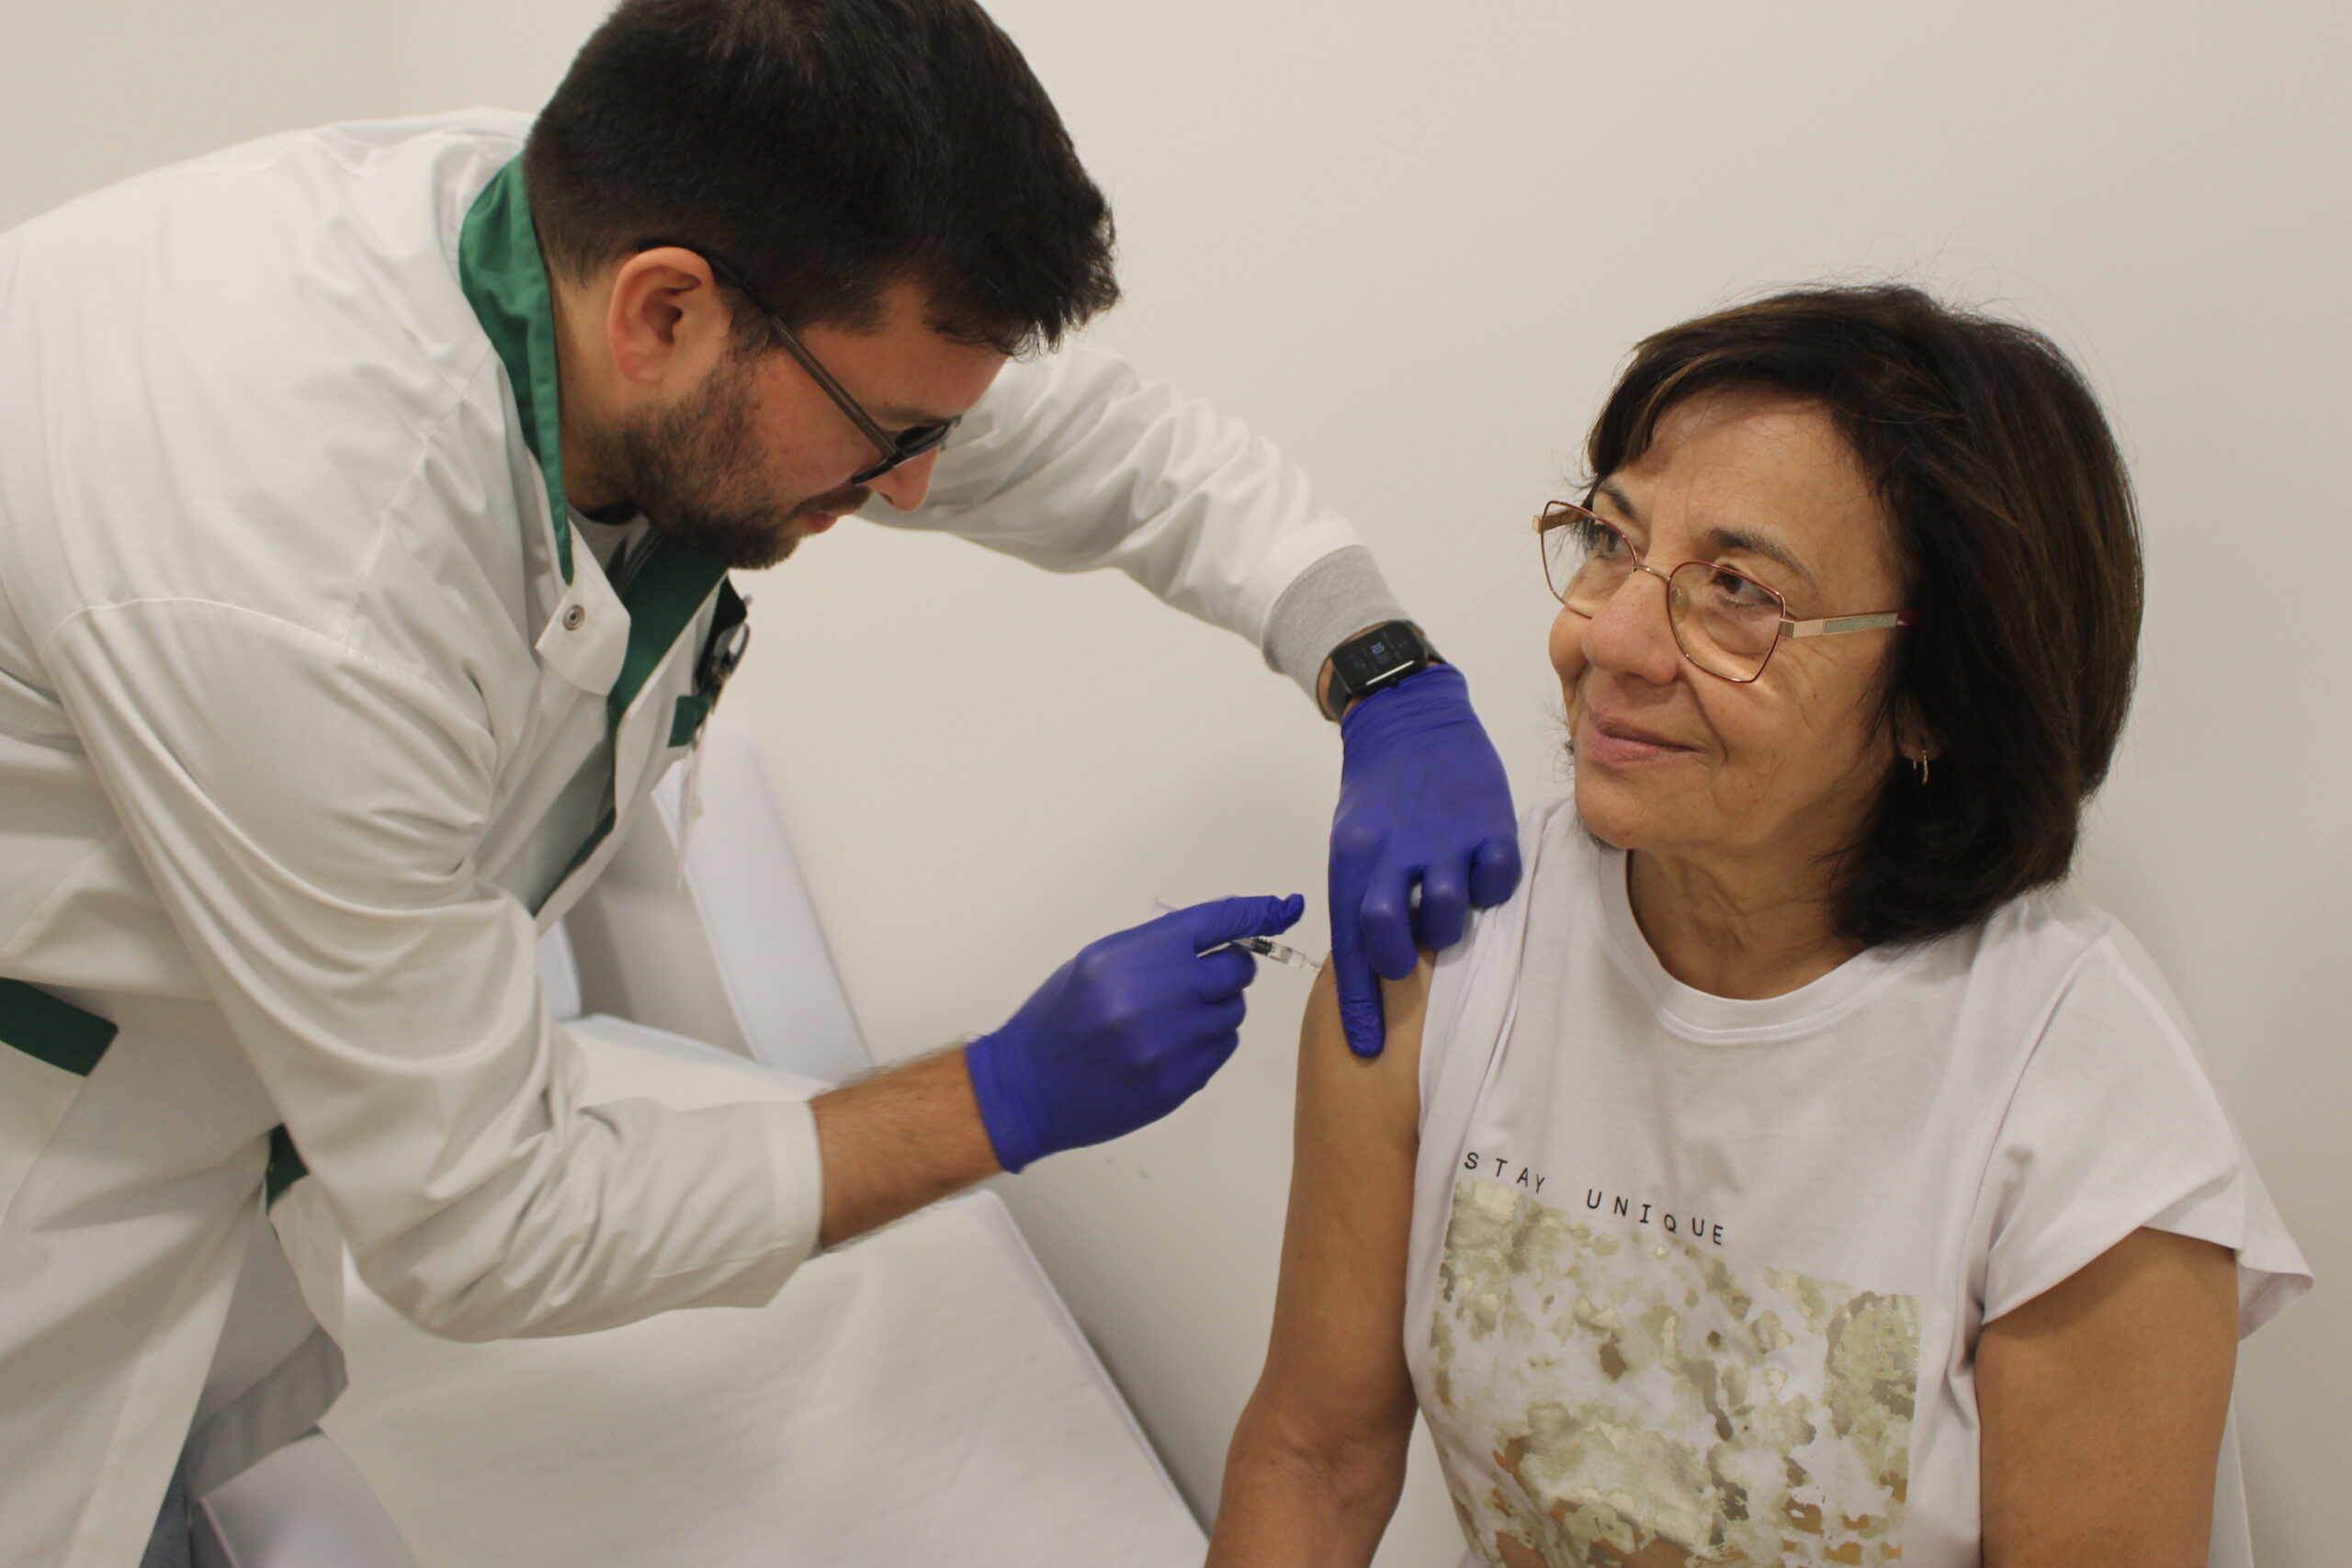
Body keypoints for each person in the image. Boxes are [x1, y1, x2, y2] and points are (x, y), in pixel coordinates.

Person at [0, 2, 1521, 1562]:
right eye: (887, 439)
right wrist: (993, 1096)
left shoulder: (634, 250)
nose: (921, 487)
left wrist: (1383, 672)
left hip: (202, 1150)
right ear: (665, 315)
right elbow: (482, 1223)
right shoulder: (301, 570)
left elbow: (1094, 447)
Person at [1208, 286, 2311, 1568]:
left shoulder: (2079, 1105)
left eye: (1736, 589)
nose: (1607, 634)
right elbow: (1315, 1456)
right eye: (1612, 539)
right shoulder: (1448, 951)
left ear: (1935, 703)